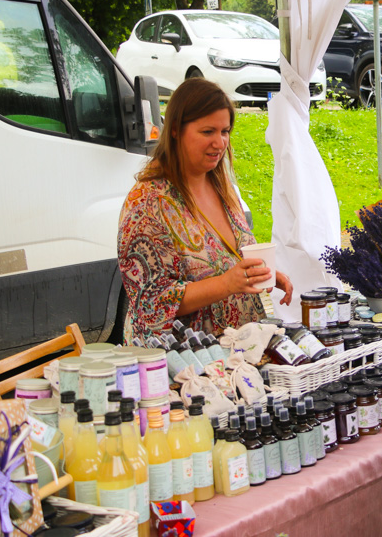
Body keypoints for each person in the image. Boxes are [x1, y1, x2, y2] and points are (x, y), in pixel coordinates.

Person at [118, 78, 292, 344]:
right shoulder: (148, 202)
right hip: (181, 363)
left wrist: (264, 273)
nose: (220, 143)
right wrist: (227, 284)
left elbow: (231, 257)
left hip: (236, 355)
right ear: (175, 129)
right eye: (208, 132)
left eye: (225, 131)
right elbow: (150, 302)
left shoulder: (222, 185)